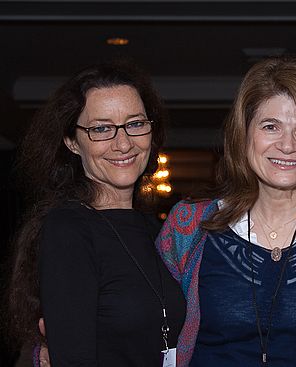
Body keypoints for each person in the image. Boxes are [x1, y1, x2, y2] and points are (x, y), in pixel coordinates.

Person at [156, 56, 296, 367]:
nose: (287, 145)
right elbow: (148, 333)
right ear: (245, 134)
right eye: (270, 126)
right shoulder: (187, 227)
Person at [5, 62, 186, 366]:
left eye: (135, 123)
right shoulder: (69, 230)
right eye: (101, 128)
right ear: (72, 142)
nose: (123, 143)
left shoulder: (158, 230)